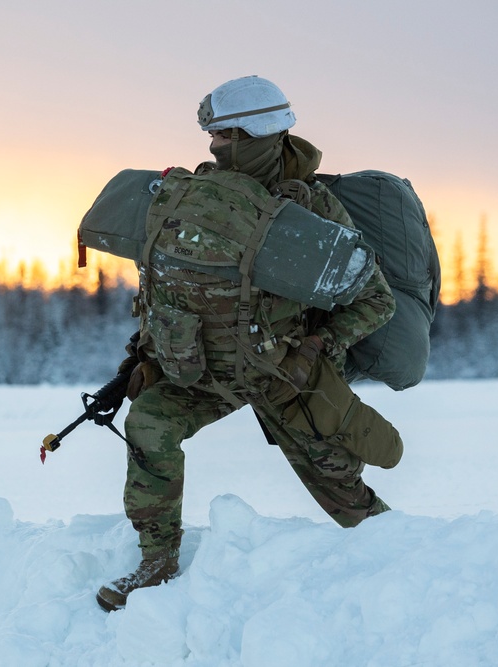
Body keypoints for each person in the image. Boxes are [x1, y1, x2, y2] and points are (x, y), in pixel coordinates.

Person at [96, 75, 398, 613]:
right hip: (201, 373)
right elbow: (168, 286)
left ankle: (410, 570)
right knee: (149, 426)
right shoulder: (189, 198)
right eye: (213, 137)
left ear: (267, 133)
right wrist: (144, 354)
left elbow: (377, 300)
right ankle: (157, 560)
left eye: (229, 137)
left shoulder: (314, 210)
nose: (217, 148)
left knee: (349, 501)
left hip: (283, 376)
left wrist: (320, 346)